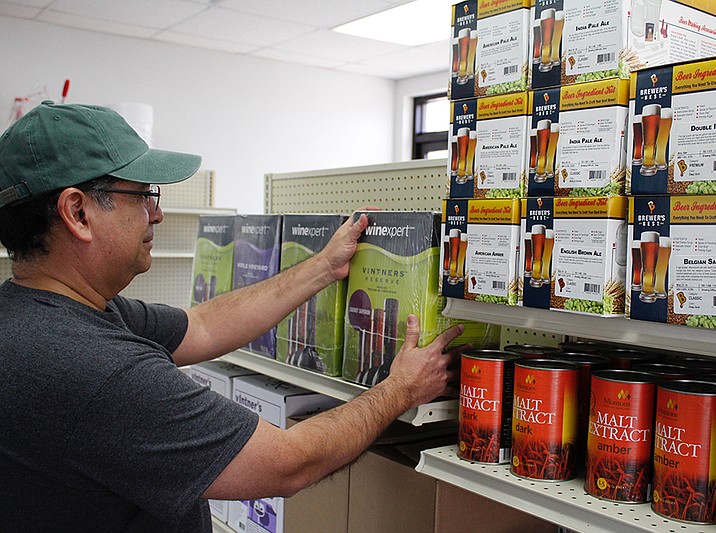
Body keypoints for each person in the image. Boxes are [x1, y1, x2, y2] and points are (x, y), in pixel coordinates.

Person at [0, 101, 466, 532]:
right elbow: (288, 461)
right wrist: (400, 389)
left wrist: (323, 267)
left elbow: (200, 326)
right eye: (142, 195)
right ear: (77, 212)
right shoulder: (92, 367)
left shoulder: (48, 314)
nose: (157, 214)